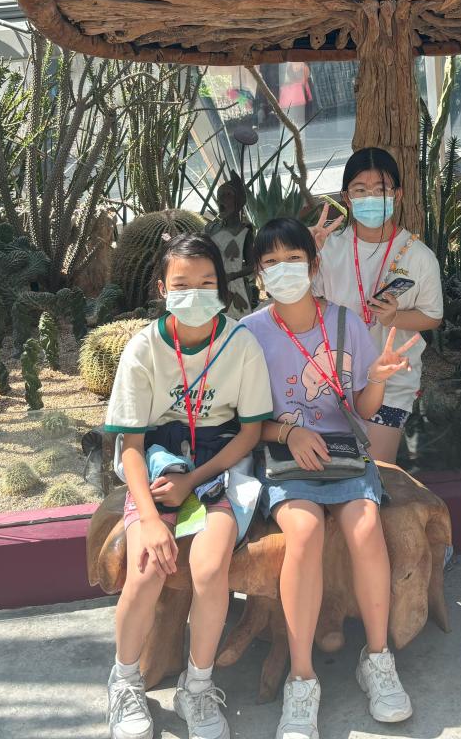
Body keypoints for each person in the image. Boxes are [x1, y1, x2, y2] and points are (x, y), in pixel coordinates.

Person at [243, 217, 420, 739]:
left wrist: (378, 380)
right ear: (258, 275)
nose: (283, 270)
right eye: (271, 262)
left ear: (314, 264)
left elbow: (362, 409)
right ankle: (302, 679)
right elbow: (243, 422)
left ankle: (378, 657)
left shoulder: (345, 323)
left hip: (344, 457)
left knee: (365, 527)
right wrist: (289, 431)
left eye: (293, 259)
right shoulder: (249, 334)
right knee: (303, 532)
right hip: (286, 460)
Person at [102, 234, 274, 739]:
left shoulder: (240, 344)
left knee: (210, 567)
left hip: (220, 461)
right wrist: (151, 518)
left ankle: (197, 686)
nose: (194, 293)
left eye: (206, 282)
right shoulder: (142, 348)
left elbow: (248, 434)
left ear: (221, 287)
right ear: (162, 288)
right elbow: (131, 445)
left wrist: (194, 482)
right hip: (159, 459)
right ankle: (124, 681)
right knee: (145, 568)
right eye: (181, 284)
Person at [309, 147, 443, 463]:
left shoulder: (418, 255)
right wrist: (306, 258)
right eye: (360, 190)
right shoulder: (329, 249)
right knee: (335, 470)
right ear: (346, 197)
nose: (370, 197)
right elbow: (305, 304)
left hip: (392, 381)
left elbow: (432, 316)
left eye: (380, 189)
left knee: (378, 469)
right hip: (333, 379)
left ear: (397, 195)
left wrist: (395, 317)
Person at [204, 172, 256, 317]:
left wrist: (232, 276)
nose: (222, 200)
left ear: (238, 201)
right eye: (219, 196)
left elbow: (251, 266)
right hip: (212, 287)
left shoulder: (245, 232)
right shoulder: (210, 229)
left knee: (237, 321)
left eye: (227, 195)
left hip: (236, 289)